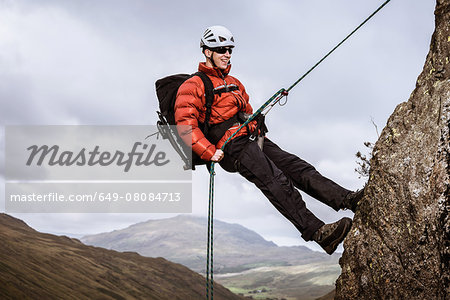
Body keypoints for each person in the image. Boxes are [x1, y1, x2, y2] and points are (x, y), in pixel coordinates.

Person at [174, 25, 364, 255]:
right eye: (221, 49)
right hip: (230, 146)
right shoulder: (193, 85)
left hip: (251, 137)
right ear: (207, 52)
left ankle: (349, 199)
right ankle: (319, 233)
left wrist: (254, 122)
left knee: (298, 167)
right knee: (275, 179)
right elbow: (185, 125)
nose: (227, 54)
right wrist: (208, 151)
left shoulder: (234, 82)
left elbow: (246, 110)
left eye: (230, 50)